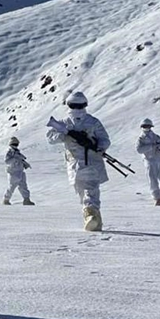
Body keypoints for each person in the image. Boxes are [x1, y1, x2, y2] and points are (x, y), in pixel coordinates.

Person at [46, 91, 111, 232]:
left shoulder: (92, 122)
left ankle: (91, 216)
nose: (76, 109)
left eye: (79, 105)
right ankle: (93, 219)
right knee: (84, 193)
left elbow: (105, 140)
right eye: (74, 105)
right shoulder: (64, 123)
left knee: (90, 190)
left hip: (91, 162)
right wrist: (65, 135)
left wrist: (97, 145)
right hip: (75, 164)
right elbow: (50, 138)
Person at [135, 118, 160, 206]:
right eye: (144, 126)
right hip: (149, 161)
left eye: (148, 126)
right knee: (153, 181)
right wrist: (151, 146)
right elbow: (139, 149)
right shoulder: (141, 139)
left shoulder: (156, 137)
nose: (146, 128)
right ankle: (156, 197)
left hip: (159, 160)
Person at [2, 137, 34, 206]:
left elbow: (21, 160)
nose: (16, 145)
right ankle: (6, 199)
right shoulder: (9, 152)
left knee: (24, 186)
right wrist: (15, 159)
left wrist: (25, 164)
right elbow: (7, 161)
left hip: (20, 171)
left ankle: (26, 200)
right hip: (13, 172)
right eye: (14, 144)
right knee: (12, 187)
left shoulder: (17, 152)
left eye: (16, 144)